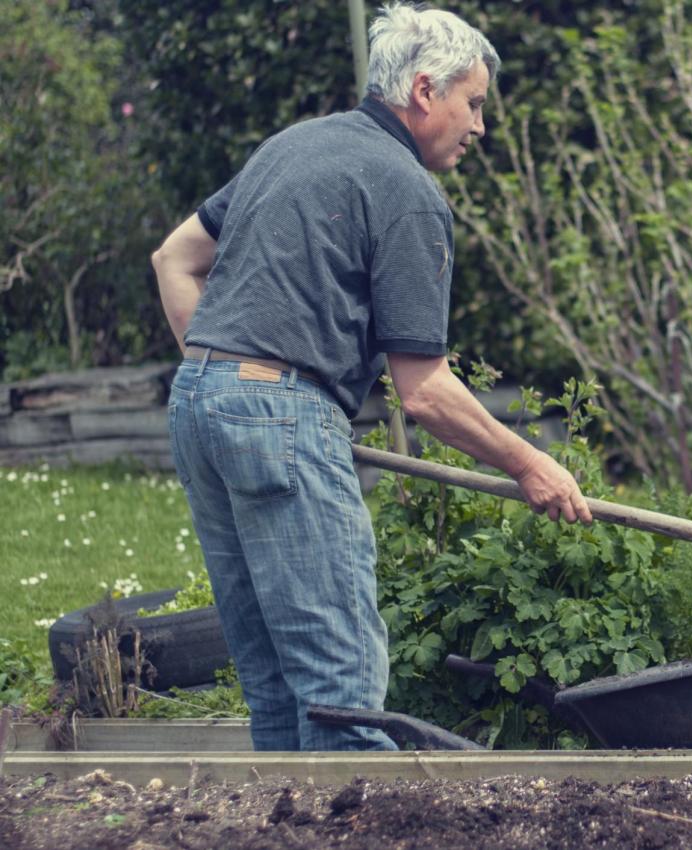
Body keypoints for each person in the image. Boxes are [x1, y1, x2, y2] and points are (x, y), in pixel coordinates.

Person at [151, 3, 591, 752]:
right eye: (474, 102)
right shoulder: (406, 189)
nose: (480, 125)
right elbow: (424, 391)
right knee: (341, 686)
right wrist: (531, 463)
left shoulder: (294, 145)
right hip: (279, 414)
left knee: (276, 685)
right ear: (425, 91)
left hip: (197, 403)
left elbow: (174, 259)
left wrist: (228, 374)